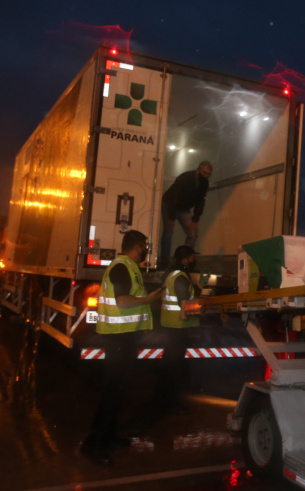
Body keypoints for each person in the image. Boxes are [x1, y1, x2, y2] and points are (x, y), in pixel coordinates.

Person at [80, 230, 163, 467]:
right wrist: (148, 300)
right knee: (113, 391)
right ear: (137, 247)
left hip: (124, 338)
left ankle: (108, 438)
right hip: (117, 339)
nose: (146, 250)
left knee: (118, 390)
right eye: (145, 246)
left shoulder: (128, 267)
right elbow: (122, 301)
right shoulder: (121, 267)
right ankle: (94, 445)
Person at [155, 245, 201, 414]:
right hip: (178, 325)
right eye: (192, 256)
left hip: (171, 324)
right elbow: (185, 303)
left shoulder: (173, 274)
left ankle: (164, 398)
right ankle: (169, 401)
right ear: (186, 258)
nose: (194, 259)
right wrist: (198, 296)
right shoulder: (180, 277)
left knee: (170, 364)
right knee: (173, 365)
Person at [160, 161, 212, 261]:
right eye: (204, 173)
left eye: (208, 174)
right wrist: (171, 217)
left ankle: (185, 260)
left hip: (182, 207)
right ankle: (165, 262)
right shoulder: (186, 178)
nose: (206, 176)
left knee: (192, 232)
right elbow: (174, 197)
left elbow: (201, 200)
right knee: (168, 231)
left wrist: (195, 219)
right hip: (169, 204)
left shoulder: (204, 182)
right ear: (198, 171)